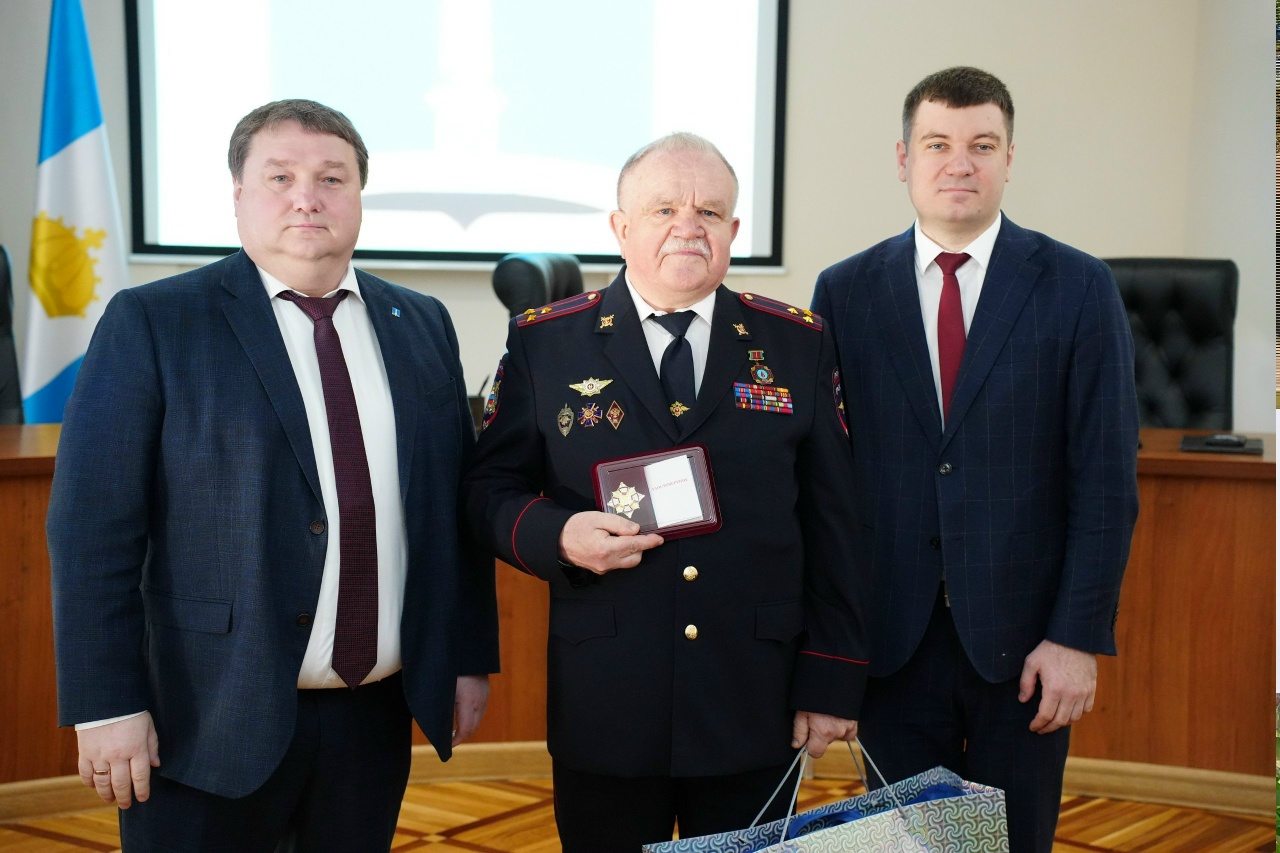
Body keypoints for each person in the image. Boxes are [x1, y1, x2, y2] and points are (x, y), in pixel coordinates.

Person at [48, 99, 499, 852]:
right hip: (205, 717)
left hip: (372, 717)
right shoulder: (155, 321)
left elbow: (451, 510)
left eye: (332, 178)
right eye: (280, 177)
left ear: (359, 195)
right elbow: (92, 529)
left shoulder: (421, 322)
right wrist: (106, 703)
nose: (306, 198)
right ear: (238, 194)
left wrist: (465, 654)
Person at [462, 133, 869, 851]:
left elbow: (835, 521)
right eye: (663, 209)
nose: (689, 226)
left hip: (753, 697)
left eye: (709, 212)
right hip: (608, 698)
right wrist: (557, 536)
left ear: (733, 230)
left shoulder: (796, 343)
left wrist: (832, 680)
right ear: (620, 228)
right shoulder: (545, 342)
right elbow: (487, 489)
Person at [811, 67, 1139, 853]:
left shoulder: (1078, 286)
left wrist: (1076, 636)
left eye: (982, 145)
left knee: (1015, 844)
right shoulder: (845, 292)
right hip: (891, 647)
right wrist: (831, 654)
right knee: (916, 848)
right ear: (903, 158)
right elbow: (824, 487)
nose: (960, 163)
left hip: (1028, 651)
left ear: (1009, 158)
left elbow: (1104, 482)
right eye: (938, 144)